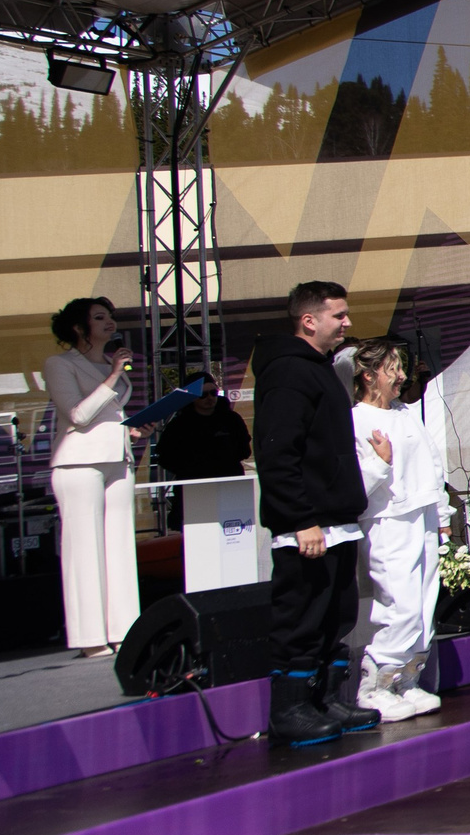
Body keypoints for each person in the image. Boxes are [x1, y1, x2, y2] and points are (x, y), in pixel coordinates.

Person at [256, 280, 383, 747]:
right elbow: (278, 453)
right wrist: (299, 518)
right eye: (339, 315)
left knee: (336, 615)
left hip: (336, 520)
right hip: (308, 525)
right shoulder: (289, 371)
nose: (347, 323)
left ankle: (326, 698)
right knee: (303, 617)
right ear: (309, 320)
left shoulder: (321, 370)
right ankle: (291, 708)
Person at [44, 297, 149, 655]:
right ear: (78, 328)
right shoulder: (59, 363)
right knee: (84, 548)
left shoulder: (108, 362)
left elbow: (107, 416)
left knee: (120, 546)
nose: (109, 323)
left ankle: (124, 630)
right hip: (77, 463)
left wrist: (135, 429)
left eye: (110, 317)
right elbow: (77, 415)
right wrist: (114, 375)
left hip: (116, 458)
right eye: (99, 317)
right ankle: (90, 638)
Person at [349, 337, 446, 723]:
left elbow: (432, 465)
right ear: (370, 375)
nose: (402, 376)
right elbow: (359, 480)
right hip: (388, 518)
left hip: (420, 515)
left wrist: (442, 517)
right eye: (394, 369)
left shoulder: (405, 414)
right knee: (401, 602)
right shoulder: (356, 419)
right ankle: (374, 686)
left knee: (424, 603)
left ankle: (406, 679)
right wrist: (381, 463)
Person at [151, 365, 251, 531]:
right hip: (193, 490)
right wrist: (193, 466)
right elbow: (165, 456)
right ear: (192, 398)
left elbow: (244, 450)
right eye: (203, 395)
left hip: (229, 486)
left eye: (213, 393)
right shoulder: (179, 425)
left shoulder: (231, 419)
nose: (209, 398)